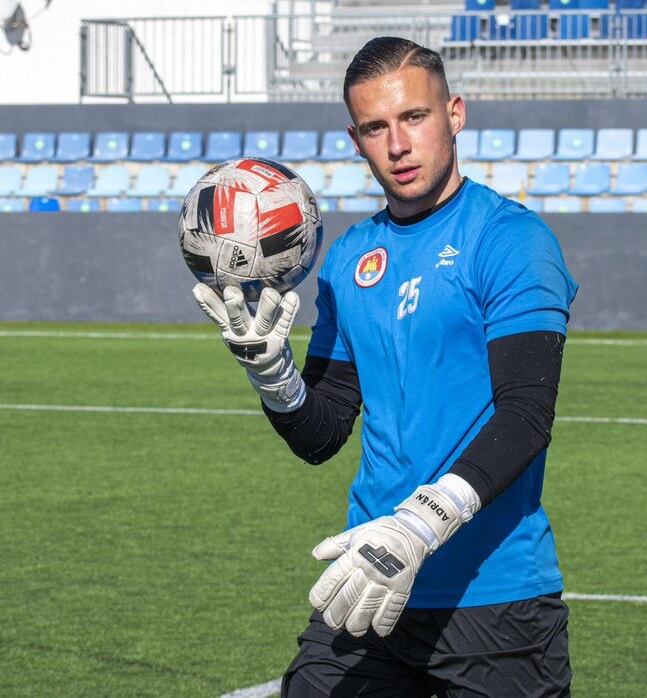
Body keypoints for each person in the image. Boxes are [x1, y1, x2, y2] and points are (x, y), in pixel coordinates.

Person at [194, 36, 578, 698]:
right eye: (375, 127)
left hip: (494, 599)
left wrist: (418, 525)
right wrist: (273, 377)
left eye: (414, 118)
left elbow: (525, 415)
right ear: (355, 138)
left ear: (454, 114)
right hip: (368, 582)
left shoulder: (509, 240)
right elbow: (322, 435)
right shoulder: (347, 260)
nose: (396, 144)